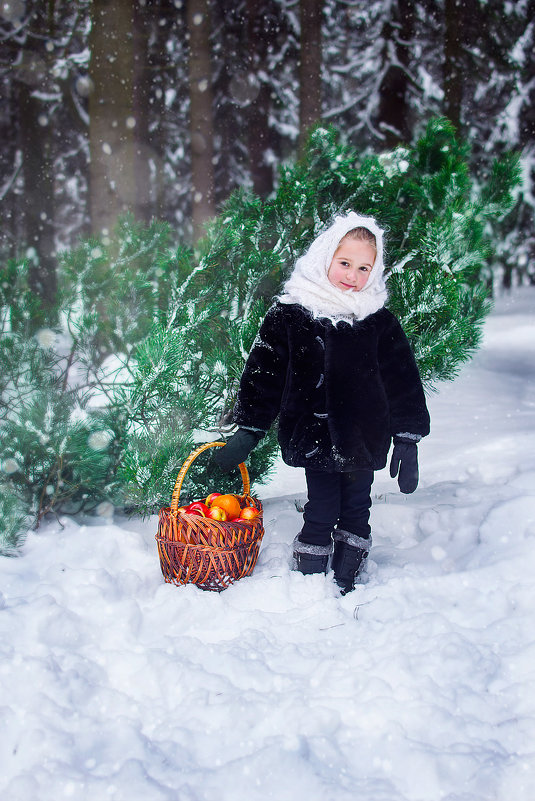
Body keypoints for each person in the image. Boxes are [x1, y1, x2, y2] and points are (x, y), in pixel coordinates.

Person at [215, 212, 430, 594]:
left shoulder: (378, 320)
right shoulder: (290, 314)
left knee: (356, 511)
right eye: (344, 263)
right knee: (322, 508)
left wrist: (408, 437)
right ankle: (311, 581)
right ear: (324, 257)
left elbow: (403, 380)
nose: (353, 275)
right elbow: (265, 372)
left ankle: (346, 579)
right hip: (313, 435)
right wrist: (250, 427)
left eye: (364, 267)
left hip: (364, 436)